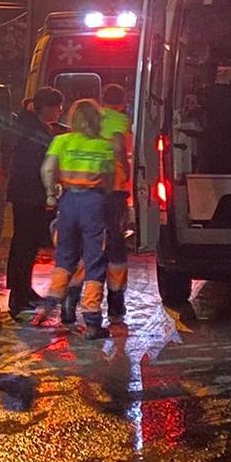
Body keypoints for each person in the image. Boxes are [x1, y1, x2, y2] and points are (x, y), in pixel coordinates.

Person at [39, 99, 117, 339]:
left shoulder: (61, 141)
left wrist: (51, 195)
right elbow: (110, 179)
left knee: (65, 256)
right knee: (94, 260)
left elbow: (47, 170)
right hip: (94, 203)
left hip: (69, 202)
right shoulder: (104, 147)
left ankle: (53, 302)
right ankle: (93, 321)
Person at [0, 88, 63, 317]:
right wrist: (49, 190)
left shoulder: (32, 125)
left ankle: (24, 289)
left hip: (27, 193)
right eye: (58, 107)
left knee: (27, 244)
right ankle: (19, 295)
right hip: (29, 194)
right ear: (47, 108)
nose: (60, 111)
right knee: (25, 243)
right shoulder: (34, 131)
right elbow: (35, 166)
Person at [99, 81, 134, 327]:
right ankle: (115, 301)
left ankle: (74, 301)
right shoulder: (121, 122)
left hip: (90, 189)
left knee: (90, 243)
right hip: (116, 190)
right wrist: (129, 169)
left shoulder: (92, 119)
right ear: (122, 102)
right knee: (116, 244)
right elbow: (121, 149)